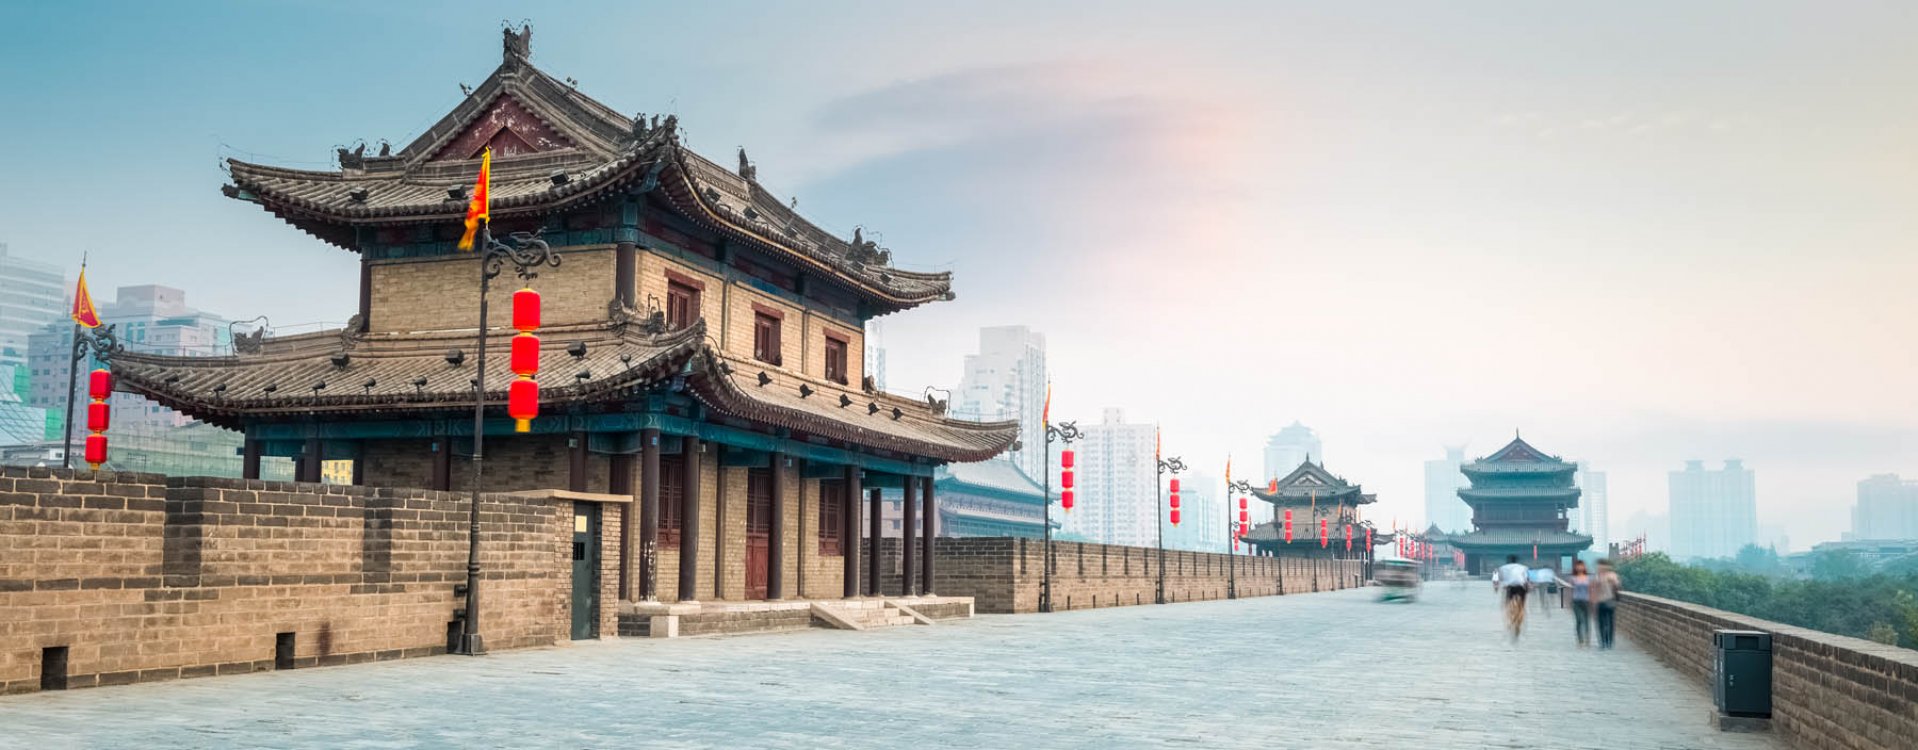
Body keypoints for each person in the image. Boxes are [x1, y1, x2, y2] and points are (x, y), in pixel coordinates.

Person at [1493, 554, 1531, 639]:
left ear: (1508, 561)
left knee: (1507, 606)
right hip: (1521, 589)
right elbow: (1527, 580)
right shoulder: (1523, 567)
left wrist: (1496, 587)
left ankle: (1510, 621)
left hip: (1510, 589)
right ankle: (1519, 621)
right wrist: (1528, 589)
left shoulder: (1503, 568)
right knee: (1521, 607)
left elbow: (1497, 579)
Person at [1592, 558, 1623, 649]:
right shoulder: (1598, 576)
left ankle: (1609, 641)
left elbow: (1618, 587)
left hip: (1609, 601)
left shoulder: (1612, 576)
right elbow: (1594, 590)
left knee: (1609, 622)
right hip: (1600, 602)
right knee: (1601, 623)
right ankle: (1603, 642)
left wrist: (1613, 583)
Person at [1566, 559, 1593, 647]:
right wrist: (1568, 602)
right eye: (1578, 566)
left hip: (1586, 601)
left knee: (1586, 620)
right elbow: (1570, 591)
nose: (1579, 567)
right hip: (1576, 601)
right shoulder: (1573, 578)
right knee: (1579, 620)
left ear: (1584, 567)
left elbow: (1591, 590)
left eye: (1581, 565)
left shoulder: (1589, 578)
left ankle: (1587, 638)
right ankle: (1580, 640)